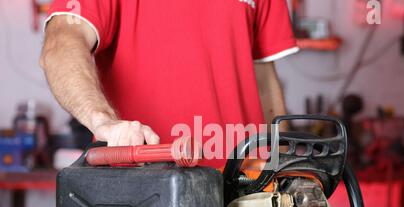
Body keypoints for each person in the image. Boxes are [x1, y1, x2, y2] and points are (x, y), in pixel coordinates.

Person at [40, 0, 299, 166]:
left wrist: (286, 168)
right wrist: (103, 121)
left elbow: (264, 82)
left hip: (247, 191)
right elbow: (61, 43)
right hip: (146, 192)